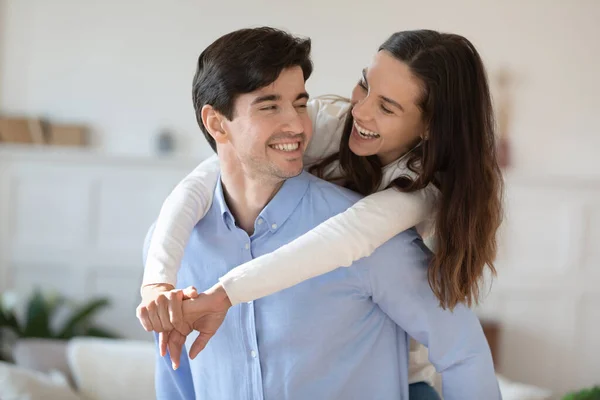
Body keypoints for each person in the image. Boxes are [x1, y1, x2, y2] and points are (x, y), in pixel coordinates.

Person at [139, 27, 503, 399]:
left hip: (406, 373)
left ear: (429, 127)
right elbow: (210, 172)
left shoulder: (413, 199)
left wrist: (224, 295)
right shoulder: (331, 123)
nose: (360, 110)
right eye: (364, 86)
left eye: (387, 107)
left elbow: (345, 239)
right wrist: (156, 279)